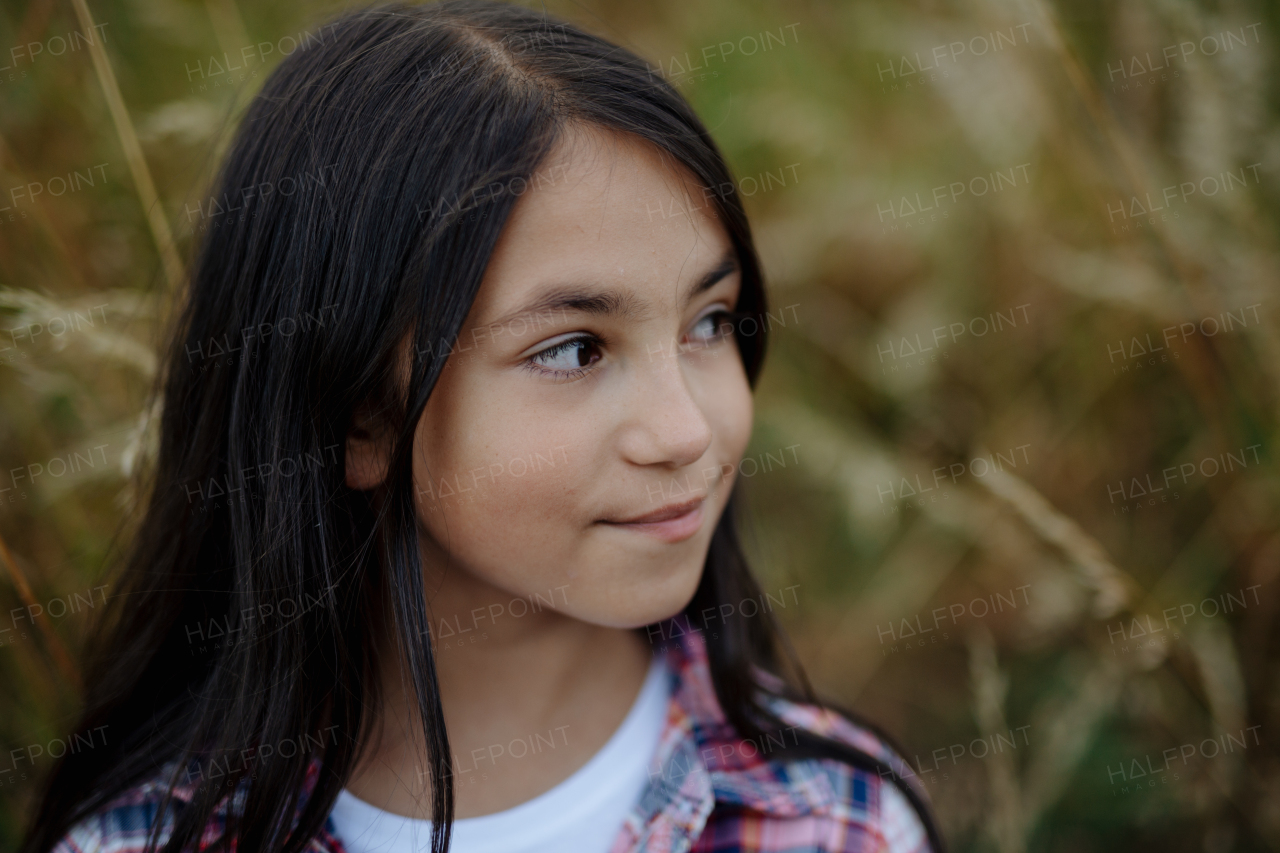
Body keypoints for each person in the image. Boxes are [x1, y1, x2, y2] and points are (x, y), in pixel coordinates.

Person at [21, 2, 943, 851]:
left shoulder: (831, 821)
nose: (687, 430)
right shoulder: (144, 840)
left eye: (707, 322)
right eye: (576, 349)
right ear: (360, 416)